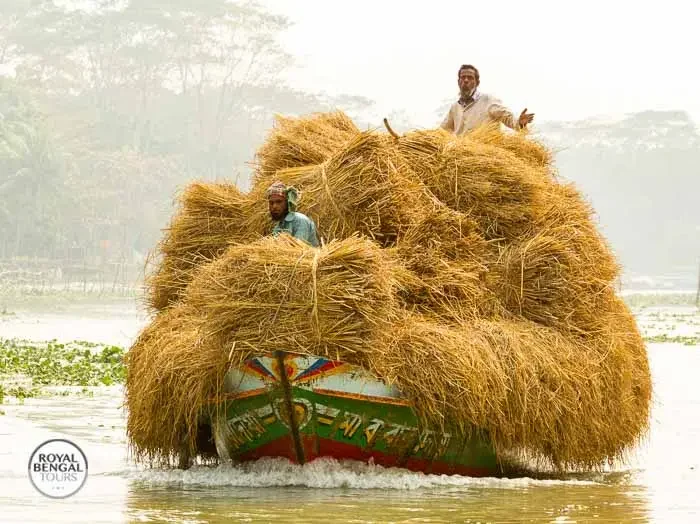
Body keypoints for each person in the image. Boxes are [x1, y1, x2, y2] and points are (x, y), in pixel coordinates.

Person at [440, 64, 534, 135]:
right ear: (458, 82)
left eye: (470, 78)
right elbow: (442, 131)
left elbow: (506, 116)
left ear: (477, 83)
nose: (466, 80)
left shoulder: (489, 101)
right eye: (463, 77)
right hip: (460, 157)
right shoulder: (455, 107)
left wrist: (519, 123)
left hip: (483, 156)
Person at [266, 181, 320, 247]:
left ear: (287, 203)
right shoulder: (278, 227)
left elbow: (298, 250)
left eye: (279, 202)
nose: (274, 206)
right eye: (271, 203)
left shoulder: (300, 221)